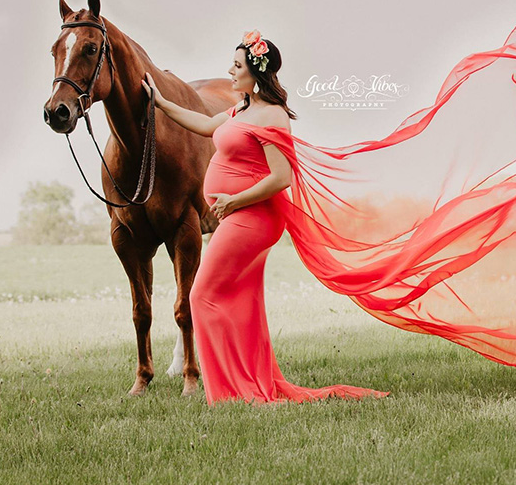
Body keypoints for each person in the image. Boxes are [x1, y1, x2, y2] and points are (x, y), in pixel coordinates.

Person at [141, 30, 390, 405]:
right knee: (242, 301)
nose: (230, 70)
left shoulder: (272, 115)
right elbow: (204, 125)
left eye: (237, 66)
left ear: (256, 73)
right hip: (240, 214)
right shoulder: (240, 110)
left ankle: (227, 392)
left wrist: (233, 201)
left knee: (202, 295)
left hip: (254, 217)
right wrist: (160, 102)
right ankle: (246, 385)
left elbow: (280, 177)